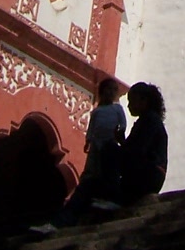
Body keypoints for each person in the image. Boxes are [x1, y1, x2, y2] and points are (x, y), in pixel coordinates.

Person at [33, 77, 127, 232]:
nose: (111, 93)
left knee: (106, 168)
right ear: (102, 92)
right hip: (97, 142)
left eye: (114, 90)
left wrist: (120, 132)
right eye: (108, 90)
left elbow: (122, 123)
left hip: (109, 141)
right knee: (94, 166)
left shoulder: (117, 109)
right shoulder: (97, 111)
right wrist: (88, 140)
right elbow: (91, 127)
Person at [119, 82, 168, 203]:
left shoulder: (149, 121)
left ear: (144, 100)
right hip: (150, 173)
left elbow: (137, 150)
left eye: (132, 101)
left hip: (148, 174)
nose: (129, 106)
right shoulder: (148, 120)